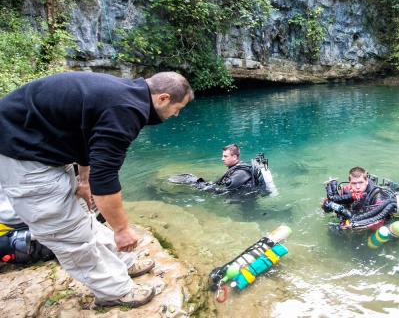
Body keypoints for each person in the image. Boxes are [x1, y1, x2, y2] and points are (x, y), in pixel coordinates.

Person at [0, 71, 193, 308]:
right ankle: (114, 292)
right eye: (178, 108)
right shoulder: (126, 110)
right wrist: (121, 229)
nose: (177, 115)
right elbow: (106, 177)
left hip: (43, 146)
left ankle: (122, 262)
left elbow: (86, 137)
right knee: (66, 233)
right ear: (163, 98)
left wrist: (83, 180)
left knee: (82, 215)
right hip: (21, 153)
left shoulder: (125, 94)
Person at [168, 145, 272, 200]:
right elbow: (220, 184)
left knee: (248, 219)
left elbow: (221, 191)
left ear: (235, 157)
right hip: (245, 197)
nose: (222, 159)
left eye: (225, 156)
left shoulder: (240, 174)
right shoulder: (237, 168)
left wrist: (196, 183)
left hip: (246, 201)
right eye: (222, 156)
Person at [321, 167, 399, 231]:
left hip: (372, 220)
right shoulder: (347, 190)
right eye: (354, 183)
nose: (357, 187)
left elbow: (377, 220)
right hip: (355, 216)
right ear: (350, 182)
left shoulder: (378, 196)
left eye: (361, 182)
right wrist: (327, 206)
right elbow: (335, 202)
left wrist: (352, 224)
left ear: (366, 181)